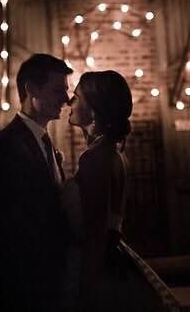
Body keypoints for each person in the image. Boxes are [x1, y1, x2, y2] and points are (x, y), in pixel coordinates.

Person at [0, 53, 72, 312]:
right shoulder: (7, 147)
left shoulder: (43, 143)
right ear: (32, 90)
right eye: (58, 90)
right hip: (20, 290)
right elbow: (7, 228)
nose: (66, 99)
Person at [61, 70, 132, 311]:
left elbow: (96, 234)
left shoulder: (96, 159)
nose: (70, 102)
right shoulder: (113, 153)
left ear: (93, 109)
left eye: (77, 97)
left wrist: (86, 294)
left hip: (90, 269)